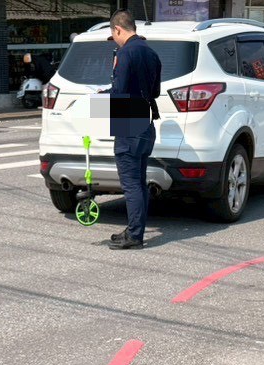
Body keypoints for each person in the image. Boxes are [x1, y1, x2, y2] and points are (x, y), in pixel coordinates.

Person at [104, 11, 161, 250]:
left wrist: (98, 100)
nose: (115, 40)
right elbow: (156, 91)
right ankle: (134, 229)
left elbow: (119, 92)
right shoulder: (151, 53)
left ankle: (135, 236)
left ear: (118, 29)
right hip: (146, 120)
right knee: (138, 180)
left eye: (113, 34)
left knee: (131, 183)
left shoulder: (125, 53)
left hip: (129, 121)